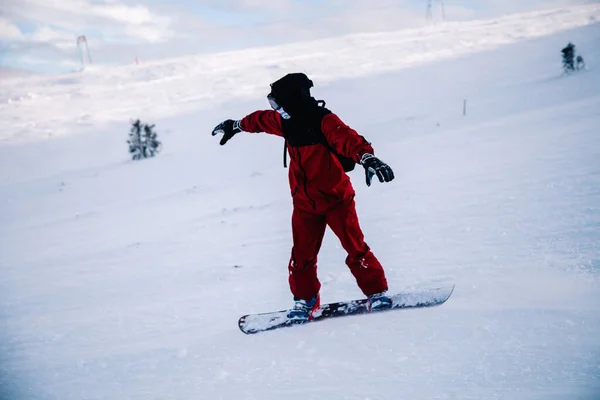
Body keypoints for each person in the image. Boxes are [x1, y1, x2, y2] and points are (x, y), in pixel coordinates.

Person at [211, 73, 394, 322]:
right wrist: (236, 125)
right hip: (304, 205)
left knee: (355, 248)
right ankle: (305, 300)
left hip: (336, 199)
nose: (275, 109)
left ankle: (376, 292)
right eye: (272, 103)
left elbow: (347, 139)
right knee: (301, 257)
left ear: (293, 99)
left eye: (277, 103)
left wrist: (367, 157)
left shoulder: (323, 120)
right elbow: (260, 120)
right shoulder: (285, 121)